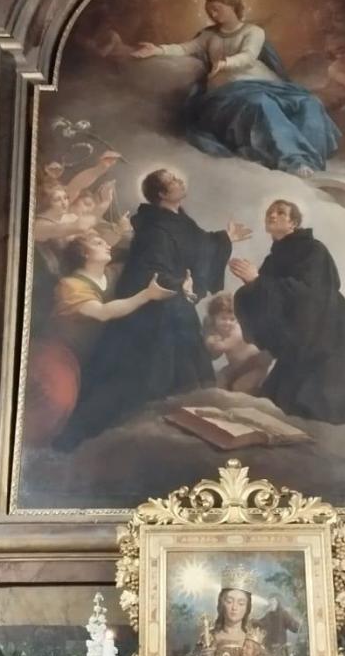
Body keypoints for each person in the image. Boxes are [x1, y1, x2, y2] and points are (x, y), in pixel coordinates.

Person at [55, 169, 252, 447]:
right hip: (152, 309)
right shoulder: (153, 227)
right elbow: (150, 267)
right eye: (172, 181)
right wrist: (178, 284)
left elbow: (199, 243)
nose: (181, 181)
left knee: (183, 366)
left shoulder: (178, 218)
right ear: (161, 194)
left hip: (172, 301)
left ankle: (189, 429)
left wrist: (225, 239)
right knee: (141, 373)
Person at [230, 199, 345, 453]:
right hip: (306, 337)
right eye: (270, 212)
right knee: (279, 402)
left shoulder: (313, 250)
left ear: (293, 222)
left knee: (327, 406)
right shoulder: (275, 256)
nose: (272, 215)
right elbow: (274, 301)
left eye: (280, 212)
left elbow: (309, 294)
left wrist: (258, 282)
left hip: (333, 335)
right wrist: (252, 287)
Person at [133, 0, 340, 176]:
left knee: (309, 102)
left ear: (233, 7)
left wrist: (225, 62)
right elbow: (184, 48)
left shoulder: (253, 31)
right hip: (228, 92)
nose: (213, 14)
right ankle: (294, 160)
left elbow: (248, 57)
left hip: (264, 82)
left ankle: (313, 161)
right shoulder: (208, 35)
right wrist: (157, 50)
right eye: (209, 10)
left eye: (217, 8)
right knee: (260, 104)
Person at [24, 231, 173, 444]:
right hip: (56, 352)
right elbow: (102, 312)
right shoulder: (71, 285)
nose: (106, 244)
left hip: (86, 358)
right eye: (98, 242)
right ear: (84, 253)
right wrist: (147, 295)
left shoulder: (111, 275)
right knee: (55, 398)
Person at [202, 292, 272, 394]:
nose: (228, 323)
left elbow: (220, 347)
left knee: (239, 387)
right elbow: (215, 355)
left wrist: (210, 341)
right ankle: (222, 402)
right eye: (223, 318)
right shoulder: (217, 330)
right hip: (235, 366)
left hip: (255, 365)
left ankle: (249, 400)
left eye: (232, 319)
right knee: (219, 379)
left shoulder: (237, 331)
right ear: (214, 318)